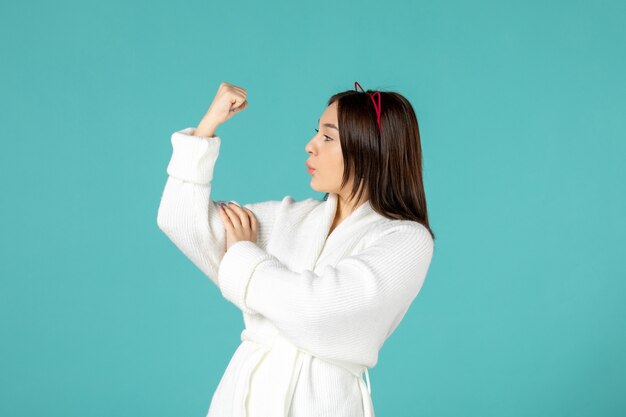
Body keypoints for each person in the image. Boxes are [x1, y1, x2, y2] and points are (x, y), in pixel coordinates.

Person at [157, 81, 435, 417]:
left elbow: (320, 310)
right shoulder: (289, 217)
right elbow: (182, 220)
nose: (310, 145)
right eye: (316, 132)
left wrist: (245, 256)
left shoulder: (405, 240)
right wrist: (206, 128)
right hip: (241, 400)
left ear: (369, 149)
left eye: (327, 137)